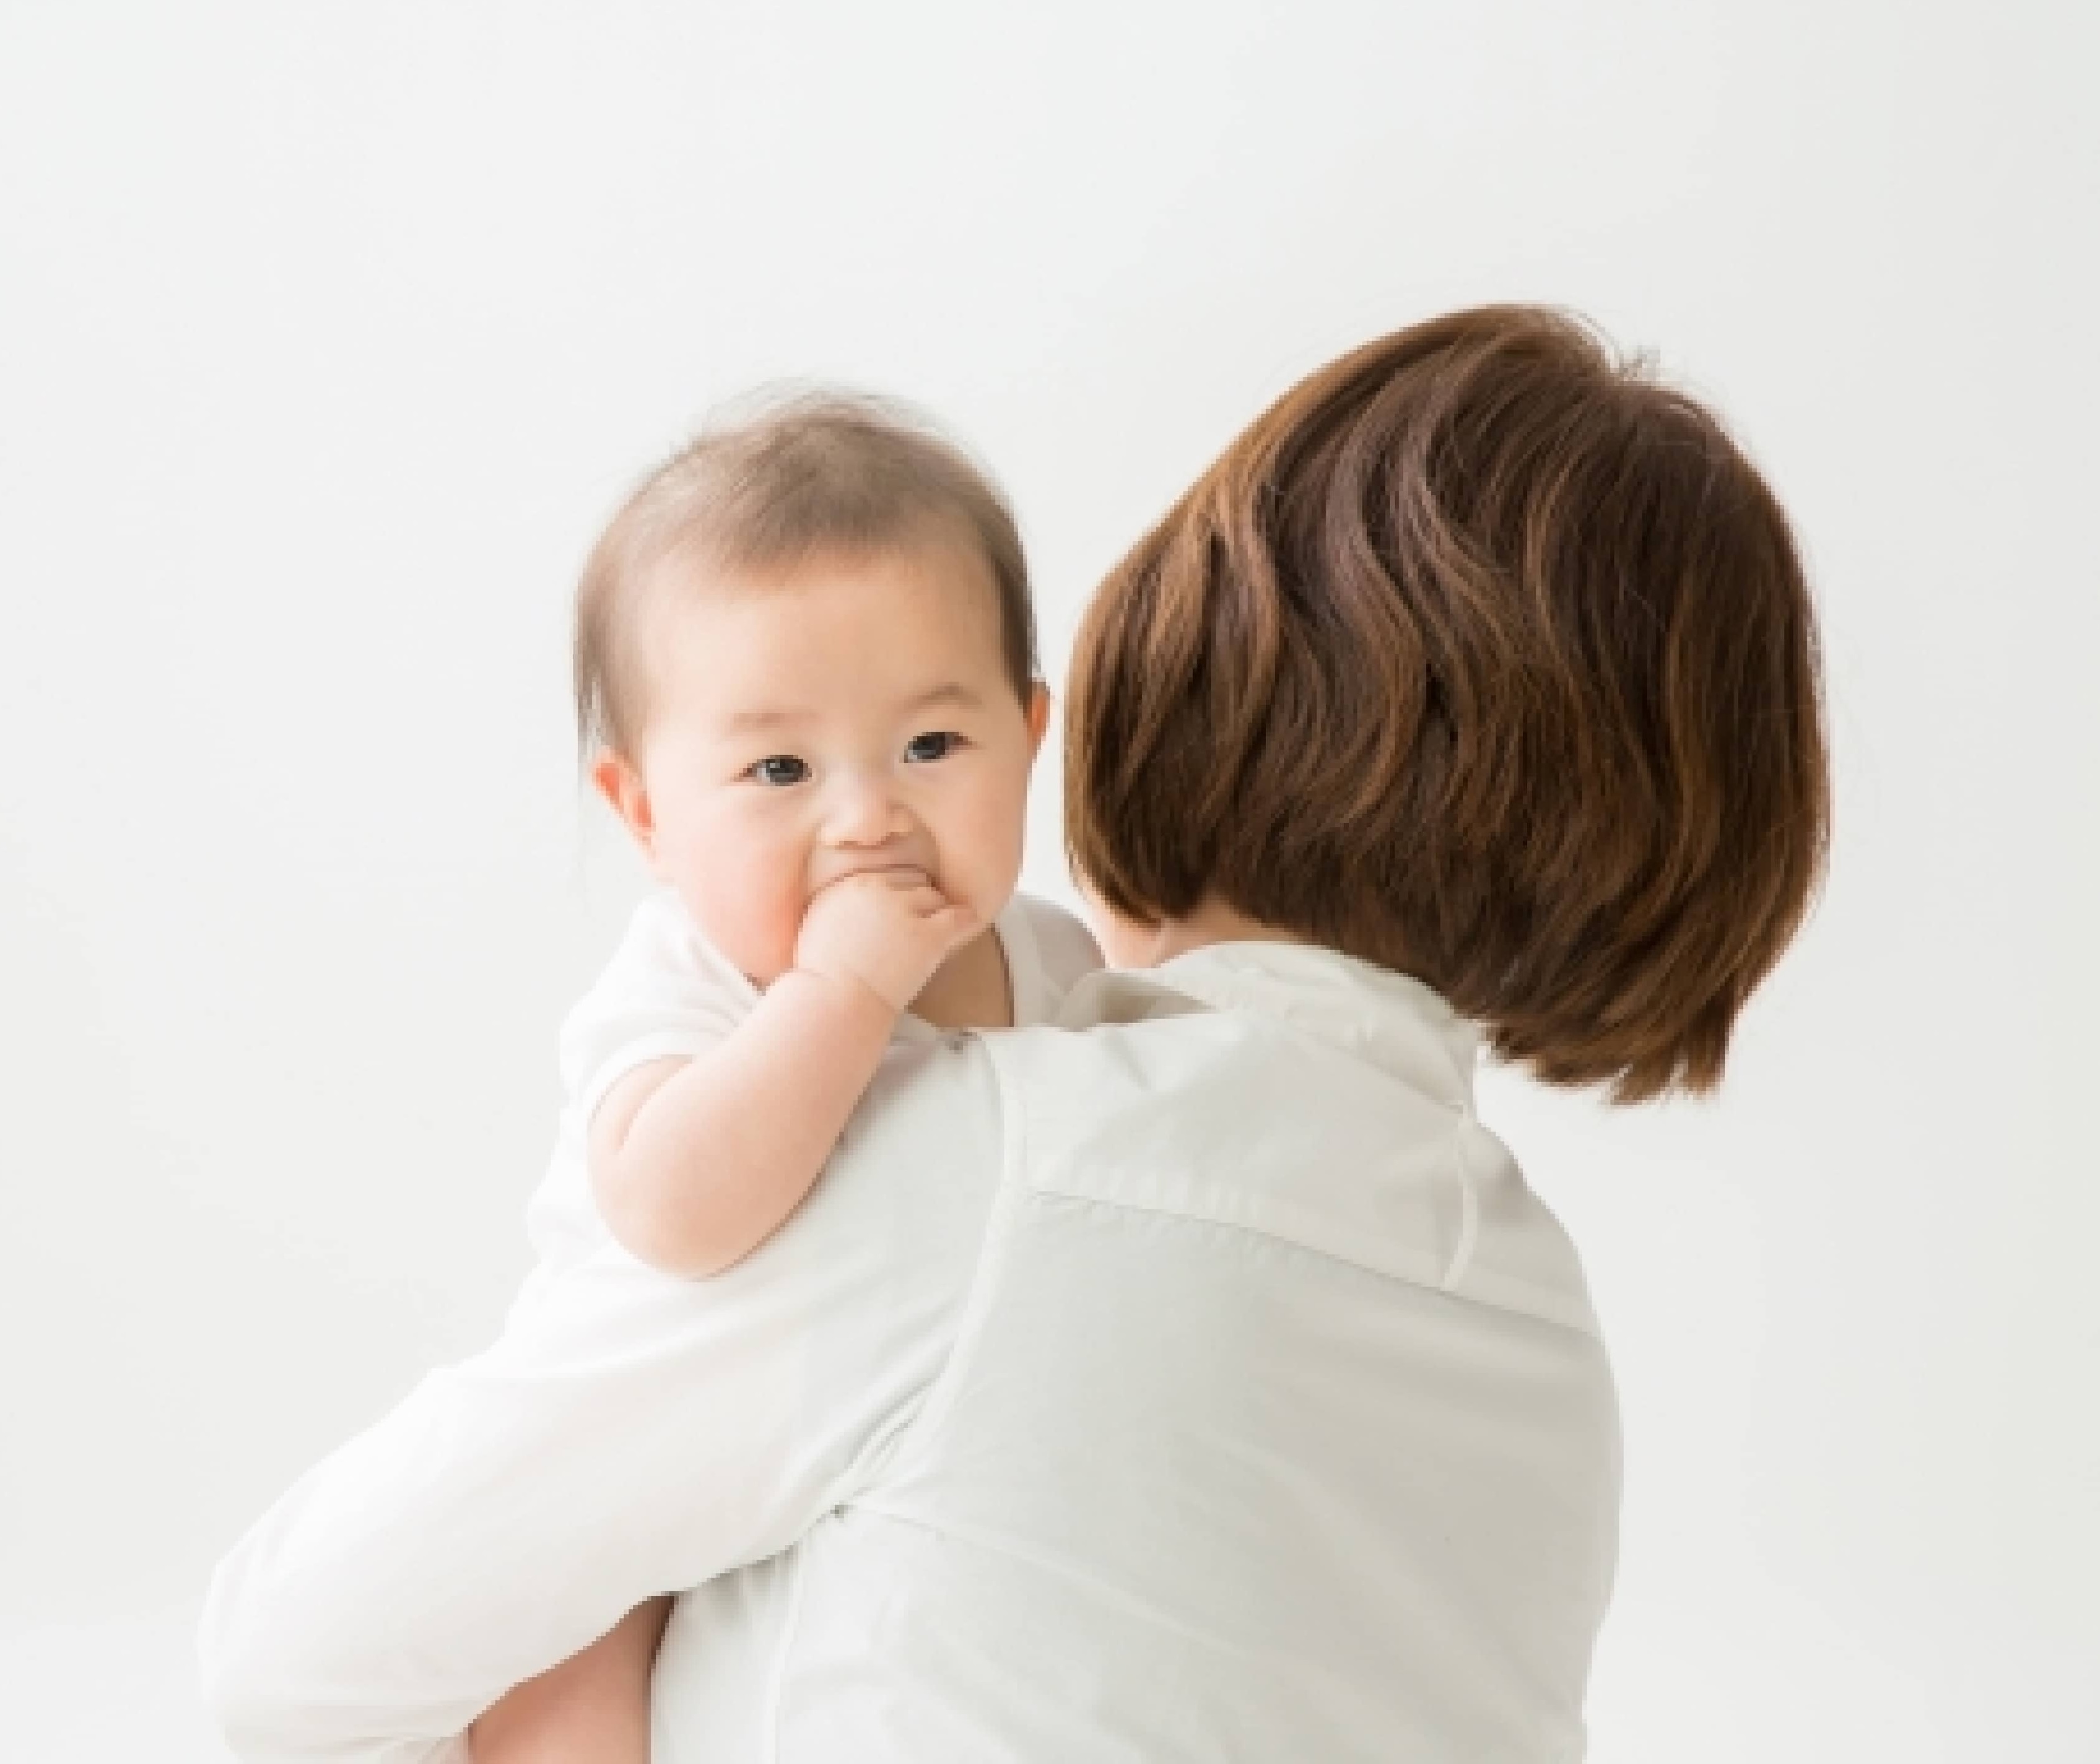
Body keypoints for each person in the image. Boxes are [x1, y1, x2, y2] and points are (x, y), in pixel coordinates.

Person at [199, 304, 1829, 1763]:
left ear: (1189, 674)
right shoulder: (1547, 1342)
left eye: (928, 736)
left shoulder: (982, 1153)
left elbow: (292, 1653)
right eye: (785, 764)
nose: (868, 818)